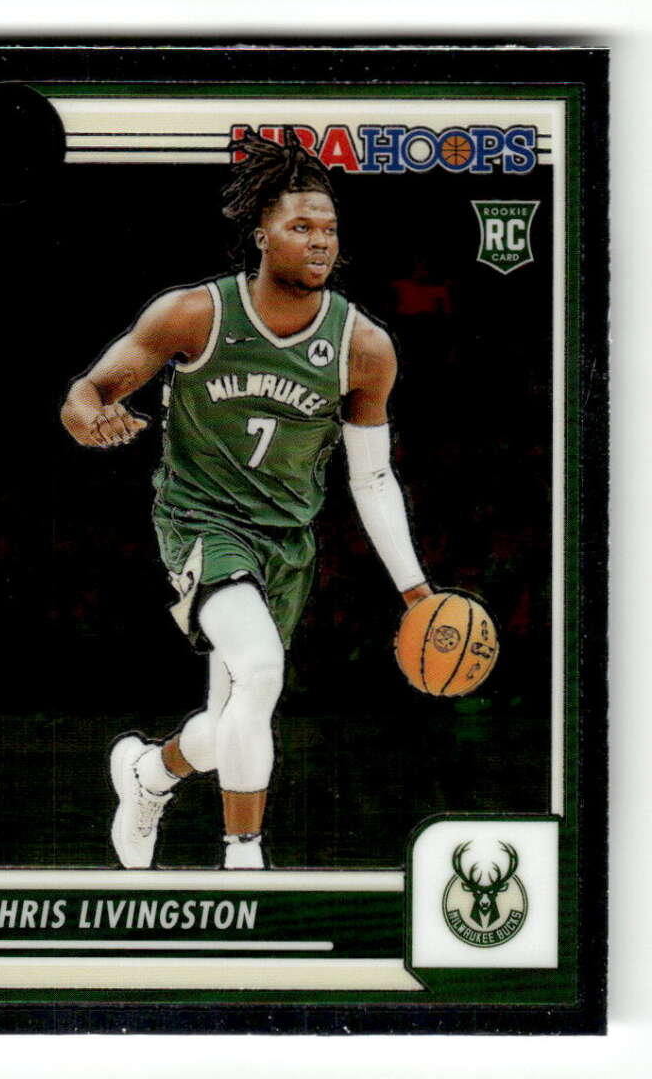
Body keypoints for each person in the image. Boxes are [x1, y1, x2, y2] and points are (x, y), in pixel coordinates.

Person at [61, 128, 431, 870]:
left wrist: (416, 591)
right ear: (262, 234)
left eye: (329, 229)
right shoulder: (195, 315)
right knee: (260, 669)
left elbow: (371, 479)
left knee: (235, 715)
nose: (319, 241)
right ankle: (244, 862)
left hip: (285, 540)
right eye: (301, 226)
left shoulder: (363, 347)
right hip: (201, 520)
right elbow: (87, 392)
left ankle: (150, 772)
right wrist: (87, 418)